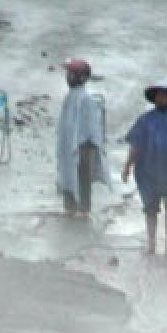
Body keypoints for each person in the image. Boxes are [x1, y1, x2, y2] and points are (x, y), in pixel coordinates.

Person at [122, 81, 167, 257]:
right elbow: (135, 144)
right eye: (158, 95)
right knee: (150, 209)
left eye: (164, 95)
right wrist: (127, 165)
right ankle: (151, 244)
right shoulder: (145, 120)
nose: (161, 98)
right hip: (148, 172)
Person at [56, 58, 110, 218]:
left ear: (81, 77)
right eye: (68, 74)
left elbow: (88, 124)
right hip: (69, 142)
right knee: (67, 172)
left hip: (84, 144)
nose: (68, 77)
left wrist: (82, 143)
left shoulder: (85, 98)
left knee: (82, 175)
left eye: (71, 74)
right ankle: (69, 204)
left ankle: (84, 207)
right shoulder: (70, 96)